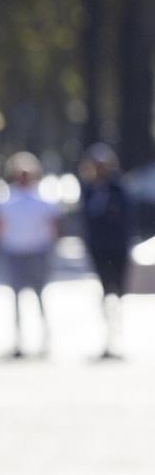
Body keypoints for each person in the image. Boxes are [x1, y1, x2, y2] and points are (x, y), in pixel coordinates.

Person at [0, 151, 61, 358]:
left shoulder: (43, 197)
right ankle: (19, 341)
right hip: (14, 252)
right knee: (17, 299)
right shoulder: (6, 197)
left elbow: (53, 226)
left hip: (38, 252)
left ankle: (45, 340)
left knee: (40, 297)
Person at [78, 142, 135, 359]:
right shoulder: (89, 189)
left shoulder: (119, 189)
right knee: (104, 292)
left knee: (118, 293)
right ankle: (107, 336)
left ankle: (117, 336)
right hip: (99, 249)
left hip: (117, 249)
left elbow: (127, 219)